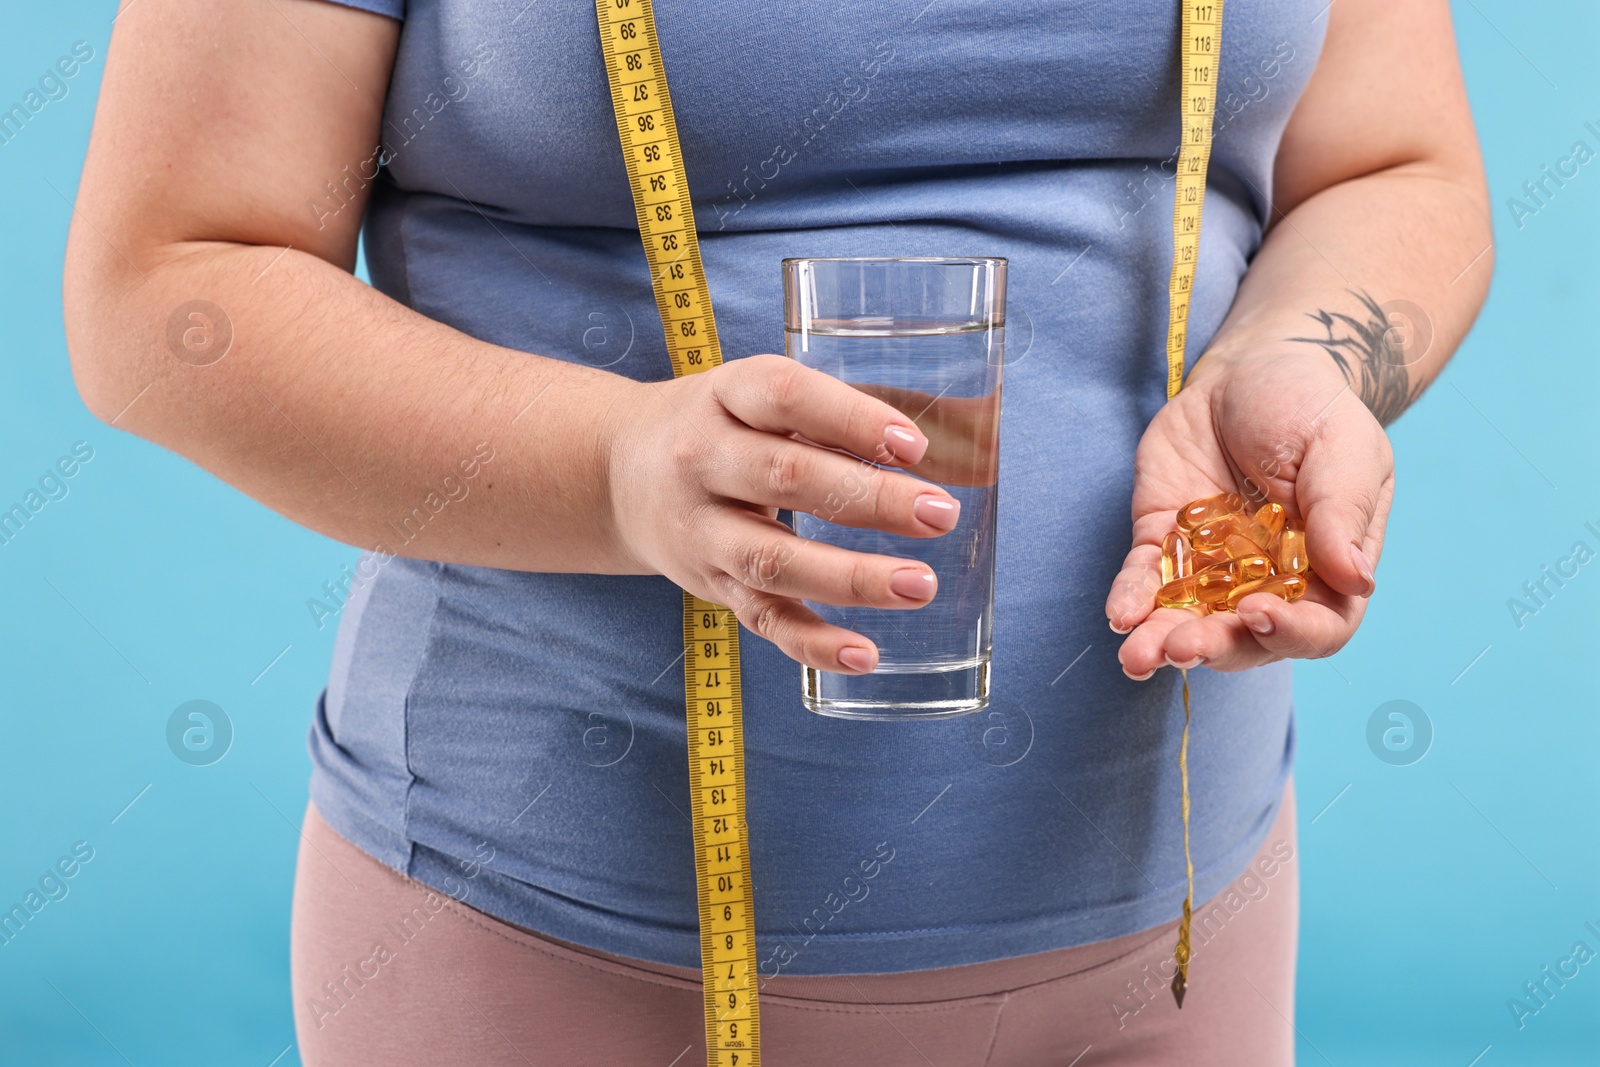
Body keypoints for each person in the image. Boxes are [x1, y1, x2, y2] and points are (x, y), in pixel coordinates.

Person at [63, 0, 1489, 1063]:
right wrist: (617, 467)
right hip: (560, 944)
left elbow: (1391, 162)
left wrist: (1299, 360)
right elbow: (165, 285)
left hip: (1176, 924)